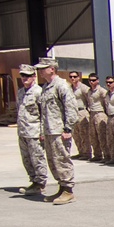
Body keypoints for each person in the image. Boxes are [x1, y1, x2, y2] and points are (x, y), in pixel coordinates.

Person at [33, 57, 78, 205]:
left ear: (52, 68)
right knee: (53, 161)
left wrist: (68, 128)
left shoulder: (62, 86)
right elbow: (43, 112)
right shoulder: (46, 87)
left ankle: (68, 190)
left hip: (59, 131)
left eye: (42, 68)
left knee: (62, 159)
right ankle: (61, 187)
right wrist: (42, 131)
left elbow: (71, 108)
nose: (40, 71)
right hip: (49, 131)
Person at [15, 64, 48, 196]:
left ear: (34, 76)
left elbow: (43, 114)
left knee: (37, 158)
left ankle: (40, 184)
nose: (25, 78)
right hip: (23, 131)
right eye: (23, 75)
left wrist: (42, 132)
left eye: (28, 76)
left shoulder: (38, 92)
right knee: (26, 159)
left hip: (34, 132)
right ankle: (33, 181)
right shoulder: (21, 92)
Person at [68, 71, 92, 159]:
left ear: (78, 77)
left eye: (74, 76)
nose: (72, 78)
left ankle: (87, 152)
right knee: (76, 134)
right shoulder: (69, 88)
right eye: (71, 77)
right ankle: (81, 151)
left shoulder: (84, 88)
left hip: (82, 111)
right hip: (73, 112)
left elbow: (89, 99)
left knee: (84, 133)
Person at [85, 73, 108, 162]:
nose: (91, 82)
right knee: (93, 136)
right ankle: (97, 154)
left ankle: (106, 155)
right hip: (92, 113)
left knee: (102, 135)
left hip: (100, 113)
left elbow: (106, 103)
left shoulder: (102, 91)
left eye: (93, 80)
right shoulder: (89, 91)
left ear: (97, 80)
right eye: (90, 80)